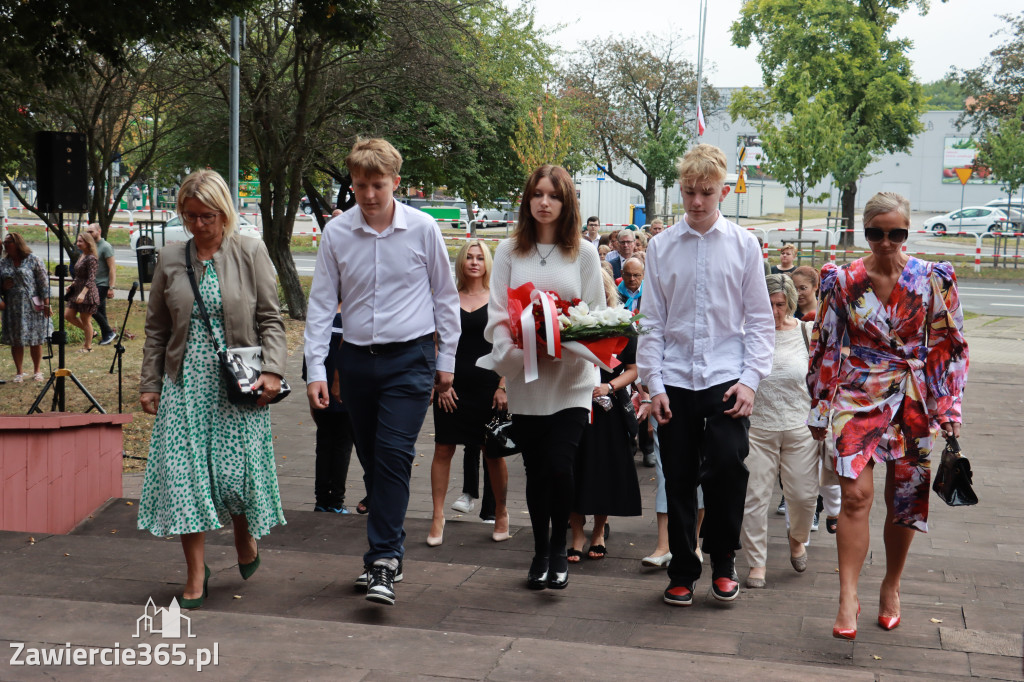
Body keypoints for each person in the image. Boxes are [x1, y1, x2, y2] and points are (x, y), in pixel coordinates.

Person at [304, 138, 461, 607]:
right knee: (373, 459)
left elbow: (444, 298)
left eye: (377, 184)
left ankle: (384, 560)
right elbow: (319, 306)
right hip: (355, 360)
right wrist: (317, 368)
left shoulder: (422, 229)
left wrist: (446, 362)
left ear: (395, 181)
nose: (368, 194)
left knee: (393, 455)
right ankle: (385, 544)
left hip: (410, 359)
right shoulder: (337, 233)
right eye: (359, 185)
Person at [806, 191, 969, 640]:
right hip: (856, 395)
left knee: (905, 498)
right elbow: (823, 344)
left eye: (896, 233)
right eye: (876, 233)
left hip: (913, 398)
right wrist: (820, 405)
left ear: (907, 231)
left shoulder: (932, 279)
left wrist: (949, 406)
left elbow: (950, 346)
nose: (886, 242)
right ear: (864, 231)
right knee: (855, 497)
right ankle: (846, 595)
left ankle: (891, 585)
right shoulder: (842, 280)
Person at [137, 169, 287, 610]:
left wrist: (273, 372)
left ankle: (244, 534)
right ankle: (196, 573)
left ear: (224, 213)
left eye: (207, 216)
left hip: (237, 382)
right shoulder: (170, 258)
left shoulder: (250, 250)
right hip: (184, 384)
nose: (198, 225)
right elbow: (156, 328)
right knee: (185, 478)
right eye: (190, 216)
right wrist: (150, 384)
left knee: (233, 479)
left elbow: (271, 318)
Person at [637, 144, 774, 607]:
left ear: (723, 191)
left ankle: (724, 559)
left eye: (706, 193)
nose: (697, 202)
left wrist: (752, 379)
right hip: (674, 377)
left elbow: (759, 319)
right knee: (676, 477)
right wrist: (653, 384)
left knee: (728, 470)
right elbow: (652, 321)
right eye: (689, 192)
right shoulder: (659, 246)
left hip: (725, 376)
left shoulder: (743, 245)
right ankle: (681, 568)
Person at [484, 164, 604, 591]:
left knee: (560, 466)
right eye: (537, 194)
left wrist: (565, 342)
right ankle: (539, 551)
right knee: (536, 471)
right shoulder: (508, 251)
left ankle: (559, 549)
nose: (544, 202)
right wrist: (517, 348)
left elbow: (597, 317)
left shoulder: (585, 253)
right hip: (527, 381)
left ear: (566, 201)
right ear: (527, 199)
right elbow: (498, 313)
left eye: (553, 195)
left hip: (572, 380)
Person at [427, 240, 510, 546]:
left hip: (489, 389)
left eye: (480, 257)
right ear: (461, 263)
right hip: (451, 387)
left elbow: (509, 346)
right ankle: (437, 516)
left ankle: (501, 512)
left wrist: (503, 385)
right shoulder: (447, 298)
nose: (474, 262)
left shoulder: (498, 299)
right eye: (469, 257)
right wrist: (439, 383)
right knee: (443, 448)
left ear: (488, 263)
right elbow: (434, 341)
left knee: (493, 452)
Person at [740, 274, 818, 588]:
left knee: (802, 495)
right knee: (754, 498)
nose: (773, 311)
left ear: (790, 304)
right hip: (756, 428)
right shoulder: (746, 335)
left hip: (800, 428)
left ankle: (797, 538)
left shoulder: (806, 332)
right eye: (768, 304)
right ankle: (756, 563)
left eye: (780, 304)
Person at [568, 270, 643, 562]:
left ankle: (598, 531)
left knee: (603, 470)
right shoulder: (568, 321)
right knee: (572, 468)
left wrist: (608, 386)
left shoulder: (622, 321)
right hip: (573, 403)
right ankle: (576, 533)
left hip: (607, 409)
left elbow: (633, 369)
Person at [301, 306, 356, 514]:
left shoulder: (321, 313)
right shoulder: (355, 312)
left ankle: (322, 500)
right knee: (342, 446)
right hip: (345, 390)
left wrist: (310, 390)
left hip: (320, 389)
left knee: (324, 445)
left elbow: (309, 355)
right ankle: (336, 501)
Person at [0, 232, 51, 382]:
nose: (5, 244)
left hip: (32, 305)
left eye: (9, 242)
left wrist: (47, 304)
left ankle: (37, 371)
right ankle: (19, 372)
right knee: (17, 340)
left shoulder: (33, 260)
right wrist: (4, 286)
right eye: (5, 242)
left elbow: (44, 284)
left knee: (35, 338)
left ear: (17, 243)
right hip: (13, 306)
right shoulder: (3, 263)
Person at [618, 256, 654, 466]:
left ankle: (647, 446)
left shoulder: (651, 293)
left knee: (645, 395)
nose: (632, 279)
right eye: (628, 274)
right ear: (621, 274)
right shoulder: (615, 294)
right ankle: (628, 444)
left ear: (643, 275)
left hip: (645, 348)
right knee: (625, 396)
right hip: (622, 351)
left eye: (637, 275)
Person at [64, 232, 100, 352]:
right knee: (68, 315)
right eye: (77, 241)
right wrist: (72, 284)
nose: (78, 243)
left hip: (87, 292)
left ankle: (88, 347)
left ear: (88, 243)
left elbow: (91, 278)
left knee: (86, 320)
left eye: (81, 241)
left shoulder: (91, 258)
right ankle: (92, 332)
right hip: (76, 290)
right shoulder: (82, 255)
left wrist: (83, 293)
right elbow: (79, 276)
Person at [85, 223, 117, 345]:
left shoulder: (105, 247)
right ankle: (107, 338)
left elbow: (112, 268)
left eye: (91, 232)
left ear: (99, 231)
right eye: (87, 232)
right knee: (100, 311)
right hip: (92, 283)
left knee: (90, 307)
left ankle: (109, 332)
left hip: (102, 284)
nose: (89, 234)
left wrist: (111, 287)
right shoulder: (91, 246)